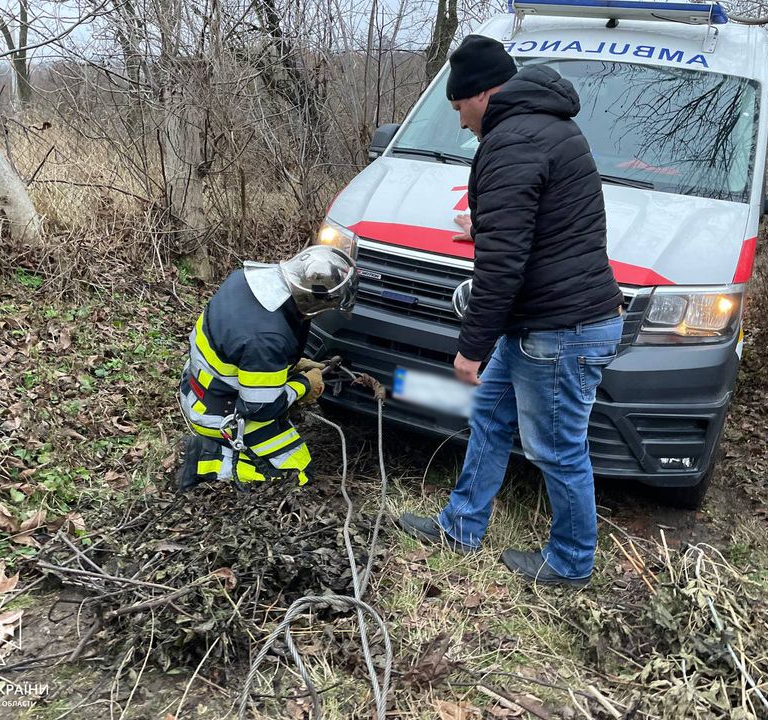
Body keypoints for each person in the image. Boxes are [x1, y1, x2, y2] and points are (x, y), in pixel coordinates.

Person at [398, 35, 624, 587]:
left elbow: (501, 268)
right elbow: (545, 225)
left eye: (459, 108)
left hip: (558, 332)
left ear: (483, 94)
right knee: (491, 418)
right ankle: (460, 526)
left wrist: (470, 347)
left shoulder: (512, 141)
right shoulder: (548, 127)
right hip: (548, 323)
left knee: (557, 449)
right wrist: (490, 224)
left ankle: (571, 562)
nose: (460, 123)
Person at [176, 245, 358, 491]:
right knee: (296, 471)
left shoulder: (245, 279)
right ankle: (206, 459)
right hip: (220, 411)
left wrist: (288, 366)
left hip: (200, 385)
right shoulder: (265, 338)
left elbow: (243, 352)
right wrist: (305, 385)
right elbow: (261, 408)